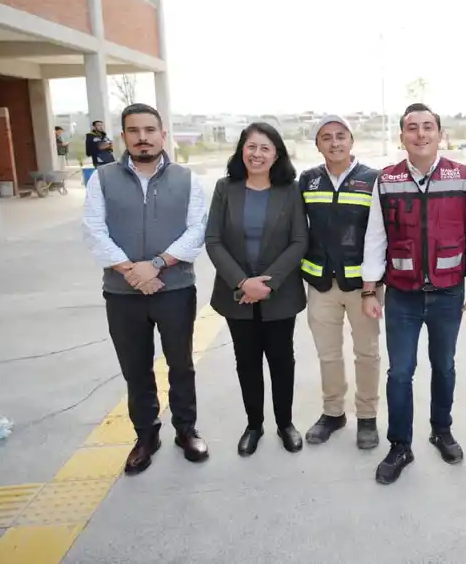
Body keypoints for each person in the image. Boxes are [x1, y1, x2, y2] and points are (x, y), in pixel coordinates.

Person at [361, 103, 466, 485]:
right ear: (402, 136)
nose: (421, 134)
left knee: (444, 367)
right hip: (402, 296)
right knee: (400, 372)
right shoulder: (386, 180)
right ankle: (400, 444)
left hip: (448, 293)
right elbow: (375, 237)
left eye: (428, 127)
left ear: (439, 133)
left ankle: (441, 429)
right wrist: (370, 290)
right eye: (412, 128)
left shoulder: (463, 176)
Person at [81, 103, 208, 475]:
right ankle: (146, 435)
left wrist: (154, 266)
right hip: (122, 294)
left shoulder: (186, 179)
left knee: (181, 364)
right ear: (124, 137)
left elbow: (197, 230)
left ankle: (186, 431)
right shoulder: (102, 179)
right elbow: (93, 230)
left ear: (162, 135)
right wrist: (130, 271)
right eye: (134, 131)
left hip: (175, 289)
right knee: (136, 368)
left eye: (150, 130)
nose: (142, 138)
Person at [205, 122, 307, 457]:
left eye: (265, 148)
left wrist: (267, 283)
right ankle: (254, 425)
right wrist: (242, 282)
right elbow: (214, 240)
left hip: (279, 295)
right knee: (246, 361)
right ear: (241, 150)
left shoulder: (290, 190)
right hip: (236, 295)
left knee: (281, 360)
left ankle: (285, 424)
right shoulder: (226, 188)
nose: (257, 154)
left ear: (277, 154)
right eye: (251, 146)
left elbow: (298, 242)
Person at [298, 115, 382, 450]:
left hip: (363, 287)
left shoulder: (373, 180)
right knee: (328, 354)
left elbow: (381, 235)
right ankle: (333, 413)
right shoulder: (308, 180)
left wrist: (372, 287)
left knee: (367, 352)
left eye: (340, 136)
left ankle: (367, 416)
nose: (335, 143)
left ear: (352, 140)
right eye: (326, 137)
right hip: (321, 283)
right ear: (317, 144)